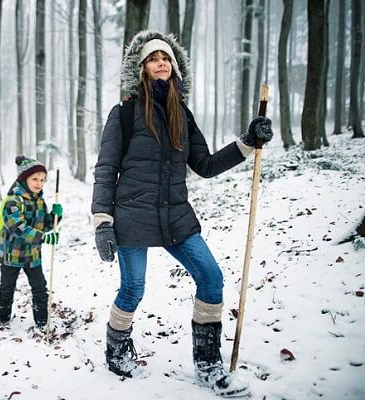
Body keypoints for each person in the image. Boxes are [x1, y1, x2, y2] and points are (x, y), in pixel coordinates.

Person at [91, 31, 273, 397]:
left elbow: (204, 164)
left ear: (174, 67)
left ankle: (207, 364)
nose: (161, 62)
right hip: (132, 214)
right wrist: (102, 221)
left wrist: (247, 141)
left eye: (166, 58)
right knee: (133, 289)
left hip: (175, 215)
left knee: (211, 276)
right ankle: (116, 349)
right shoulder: (125, 112)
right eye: (153, 58)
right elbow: (106, 168)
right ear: (142, 68)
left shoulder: (182, 114)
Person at [0, 156, 63, 330]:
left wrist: (55, 217)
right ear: (24, 178)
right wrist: (43, 237)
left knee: (40, 288)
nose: (39, 183)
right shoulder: (13, 201)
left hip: (32, 254)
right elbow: (18, 228)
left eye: (42, 179)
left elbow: (45, 225)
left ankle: (42, 322)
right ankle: (3, 318)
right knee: (7, 288)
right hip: (12, 254)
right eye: (35, 179)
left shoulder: (39, 200)